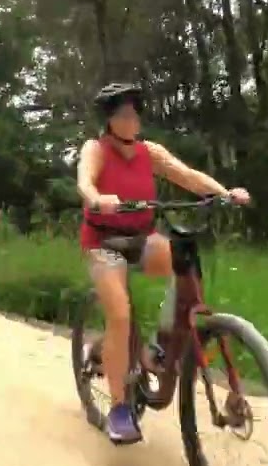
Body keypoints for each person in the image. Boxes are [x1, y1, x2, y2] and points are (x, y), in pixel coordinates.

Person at [75, 82, 250, 444]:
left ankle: (157, 343)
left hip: (142, 237)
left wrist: (223, 192)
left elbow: (185, 175)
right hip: (104, 242)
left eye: (135, 112)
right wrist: (96, 198)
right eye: (124, 113)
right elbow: (84, 181)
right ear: (109, 120)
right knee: (120, 316)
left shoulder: (148, 151)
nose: (132, 119)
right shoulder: (96, 148)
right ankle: (121, 408)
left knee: (183, 264)